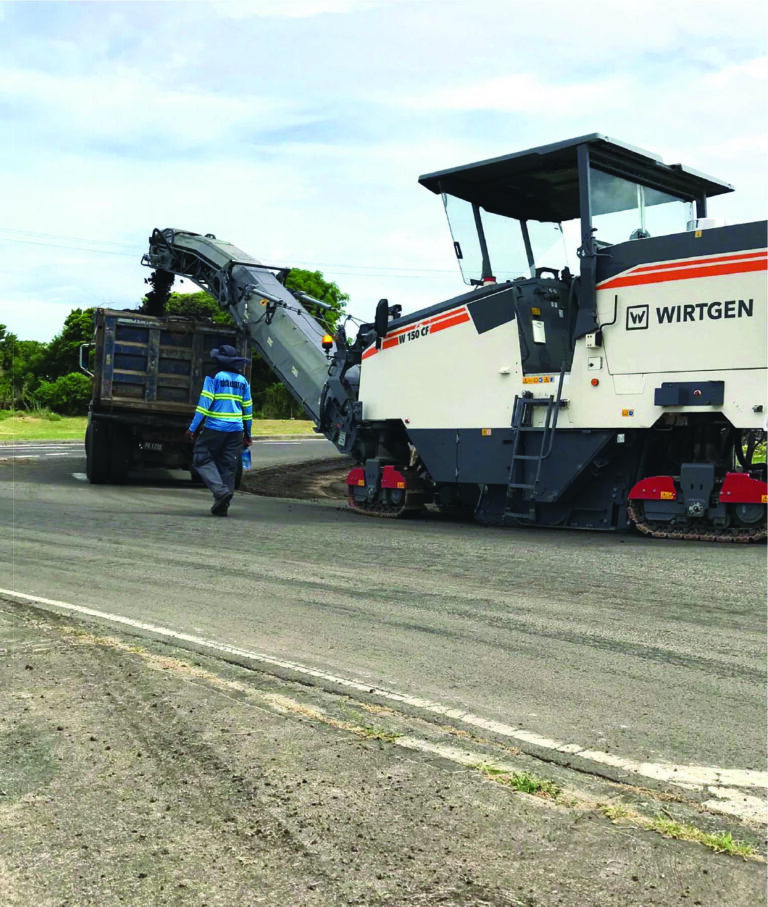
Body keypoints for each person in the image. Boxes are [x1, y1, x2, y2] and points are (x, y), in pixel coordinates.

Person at [185, 345, 253, 517]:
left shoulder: (213, 376)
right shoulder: (243, 380)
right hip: (236, 430)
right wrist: (248, 434)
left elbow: (204, 404)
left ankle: (220, 492)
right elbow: (248, 410)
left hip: (214, 427)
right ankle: (222, 505)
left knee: (201, 458)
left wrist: (193, 428)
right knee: (228, 466)